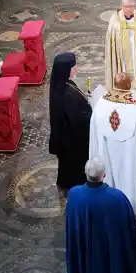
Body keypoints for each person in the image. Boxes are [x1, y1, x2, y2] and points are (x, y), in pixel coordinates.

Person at [65, 157, 136, 273]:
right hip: (111, 249)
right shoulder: (117, 197)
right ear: (104, 176)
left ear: (86, 174)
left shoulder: (74, 195)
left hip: (87, 249)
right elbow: (129, 228)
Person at [88, 73, 136, 213]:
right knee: (128, 174)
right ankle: (130, 201)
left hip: (106, 148)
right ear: (129, 86)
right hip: (128, 153)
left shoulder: (101, 102)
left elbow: (94, 124)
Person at [48, 53, 92, 190]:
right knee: (74, 167)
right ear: (66, 70)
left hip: (66, 138)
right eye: (74, 67)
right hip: (72, 141)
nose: (77, 69)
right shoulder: (67, 94)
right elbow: (79, 120)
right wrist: (91, 113)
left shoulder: (62, 84)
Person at [105, 0, 136, 103]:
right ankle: (123, 98)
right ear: (122, 7)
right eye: (126, 7)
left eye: (131, 7)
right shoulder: (115, 18)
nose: (129, 9)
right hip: (122, 55)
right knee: (123, 74)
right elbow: (112, 35)